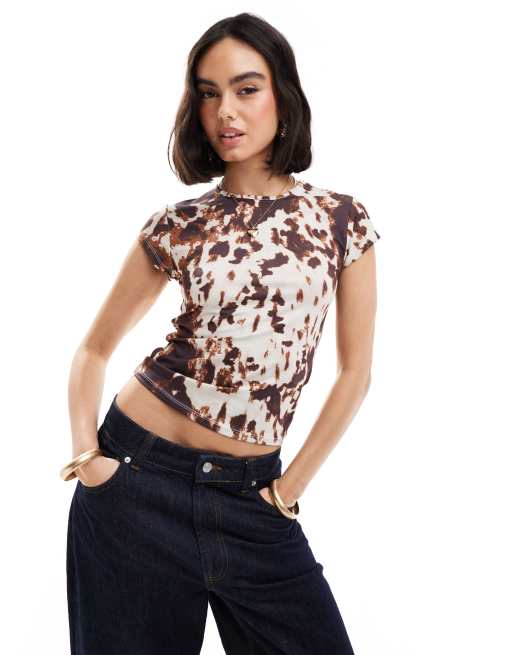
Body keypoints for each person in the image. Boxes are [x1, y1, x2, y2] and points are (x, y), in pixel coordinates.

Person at [62, 12, 380, 655]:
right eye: (208, 94)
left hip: (254, 499)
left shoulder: (341, 220)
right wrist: (89, 460)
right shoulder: (178, 224)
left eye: (246, 88)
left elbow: (355, 373)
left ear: (283, 97)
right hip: (135, 481)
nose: (225, 111)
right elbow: (93, 349)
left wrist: (288, 491)